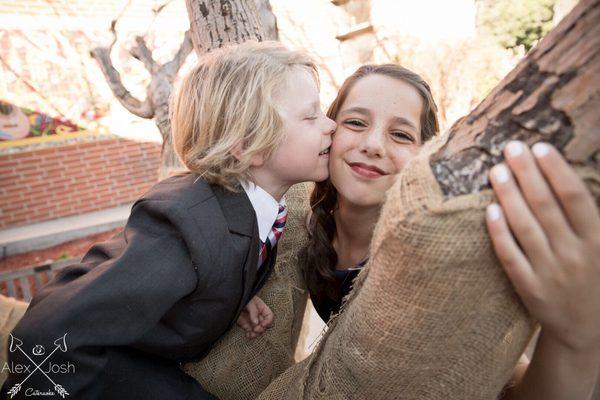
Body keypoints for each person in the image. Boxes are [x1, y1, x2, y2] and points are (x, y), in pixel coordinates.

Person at [238, 64, 599, 398]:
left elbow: (504, 381)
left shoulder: (434, 258)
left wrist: (573, 341)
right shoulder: (307, 219)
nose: (373, 145)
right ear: (328, 132)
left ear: (424, 157)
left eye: (400, 134)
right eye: (356, 123)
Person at [1, 41, 336, 400]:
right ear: (249, 144)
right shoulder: (185, 227)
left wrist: (226, 295)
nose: (331, 125)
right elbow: (46, 338)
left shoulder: (254, 210)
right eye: (311, 116)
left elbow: (212, 262)